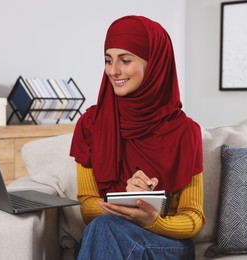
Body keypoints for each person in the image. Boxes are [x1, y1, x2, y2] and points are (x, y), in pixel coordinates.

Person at [70, 15, 205, 260]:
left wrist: (153, 218)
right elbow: (87, 207)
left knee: (102, 230)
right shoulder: (90, 125)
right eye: (108, 60)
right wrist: (127, 201)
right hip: (106, 234)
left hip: (166, 242)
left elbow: (193, 218)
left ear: (153, 64)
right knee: (103, 228)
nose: (113, 71)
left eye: (125, 60)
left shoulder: (185, 131)